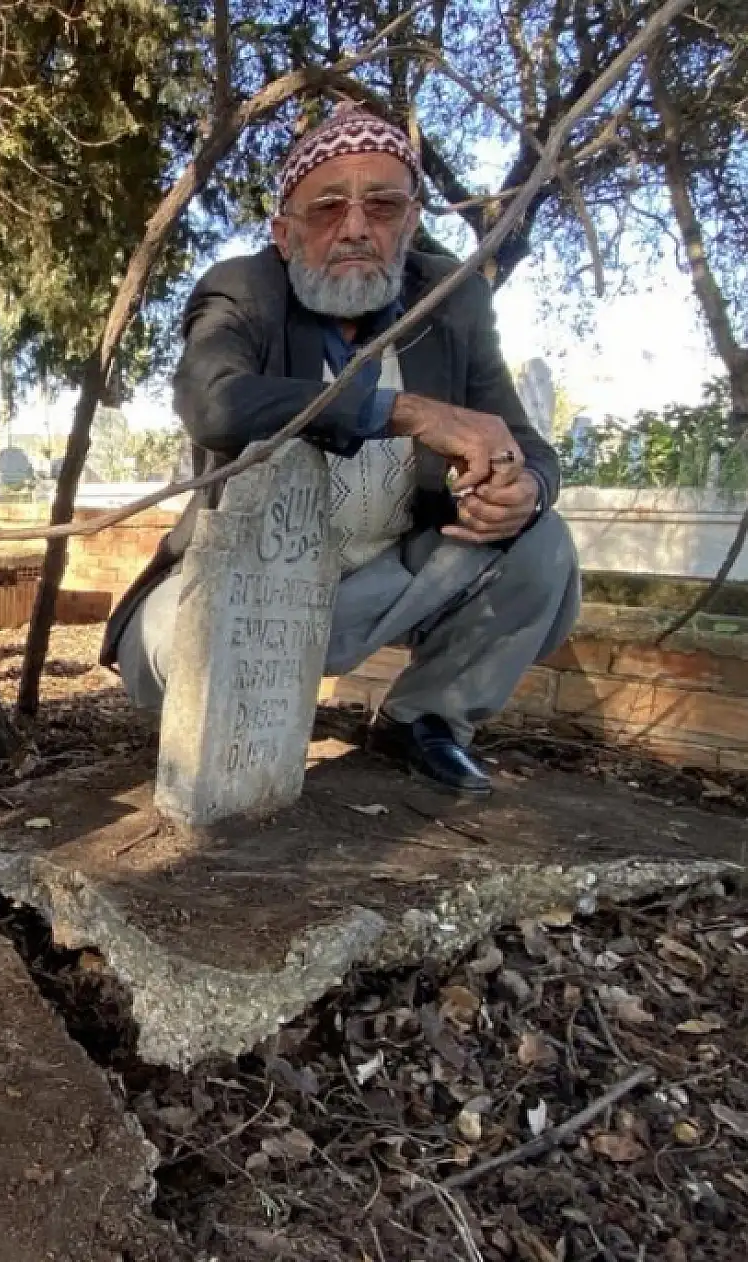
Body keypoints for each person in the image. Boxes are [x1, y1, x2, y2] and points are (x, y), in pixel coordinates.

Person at [101, 104, 579, 798]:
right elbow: (212, 401)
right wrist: (406, 412)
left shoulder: (453, 304)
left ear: (410, 224)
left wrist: (525, 489)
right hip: (244, 588)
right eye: (327, 208)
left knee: (543, 546)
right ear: (284, 234)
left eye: (382, 205)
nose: (355, 227)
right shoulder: (244, 289)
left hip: (391, 579)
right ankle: (237, 729)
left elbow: (528, 445)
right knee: (186, 648)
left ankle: (426, 720)